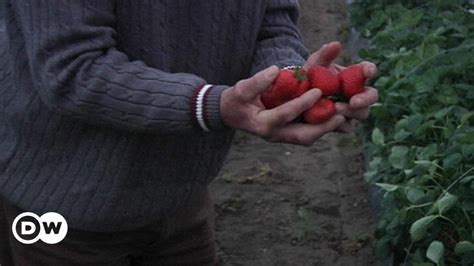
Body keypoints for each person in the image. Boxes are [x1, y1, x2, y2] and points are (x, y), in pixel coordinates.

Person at [0, 0, 378, 265]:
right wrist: (211, 104)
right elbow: (73, 69)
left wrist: (287, 82)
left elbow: (273, 21)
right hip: (63, 204)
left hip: (180, 189)